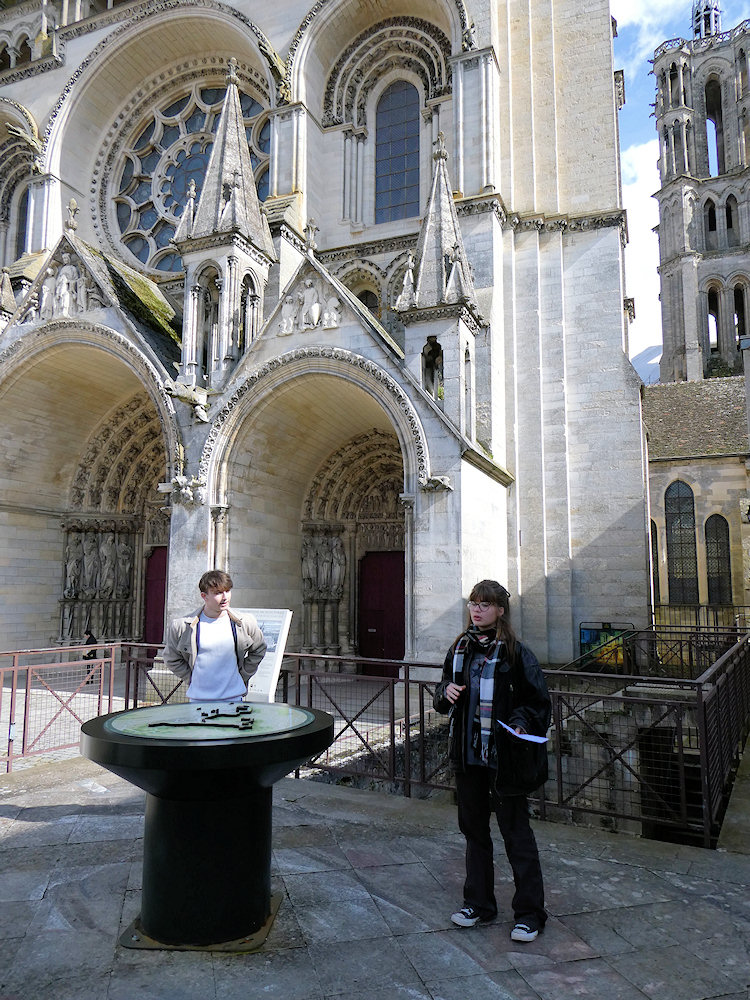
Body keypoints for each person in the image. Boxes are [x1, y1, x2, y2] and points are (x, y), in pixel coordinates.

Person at [434, 579, 551, 943]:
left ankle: (530, 914)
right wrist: (445, 692)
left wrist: (519, 721)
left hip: (504, 760)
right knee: (474, 832)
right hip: (468, 757)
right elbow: (441, 695)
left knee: (516, 835)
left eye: (485, 604)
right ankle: (479, 904)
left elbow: (537, 703)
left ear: (500, 610)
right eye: (473, 603)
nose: (477, 609)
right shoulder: (460, 648)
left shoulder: (517, 654)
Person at [163, 570, 266, 703]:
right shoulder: (182, 626)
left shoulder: (245, 622)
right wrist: (193, 678)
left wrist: (242, 676)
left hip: (234, 698)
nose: (225, 597)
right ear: (204, 596)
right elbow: (171, 658)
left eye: (227, 591)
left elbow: (259, 649)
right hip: (199, 699)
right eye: (218, 593)